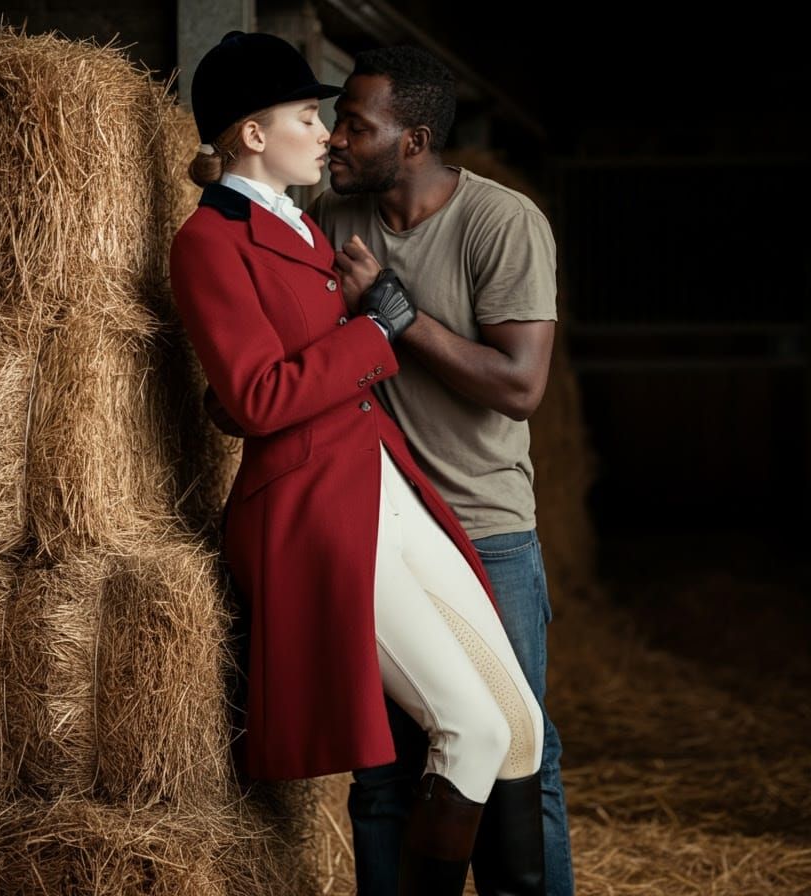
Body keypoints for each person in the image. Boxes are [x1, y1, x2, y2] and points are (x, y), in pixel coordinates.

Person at [169, 32, 546, 896]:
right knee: (473, 731)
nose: (327, 134)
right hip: (315, 505)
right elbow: (262, 397)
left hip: (379, 475)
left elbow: (260, 381)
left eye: (331, 118)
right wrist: (374, 331)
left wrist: (333, 341)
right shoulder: (209, 242)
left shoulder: (302, 226)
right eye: (310, 116)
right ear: (254, 135)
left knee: (518, 722)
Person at [312, 46, 574, 896]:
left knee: (517, 755)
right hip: (383, 532)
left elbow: (521, 386)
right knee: (384, 771)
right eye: (335, 119)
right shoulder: (329, 217)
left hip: (485, 531)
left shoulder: (503, 223)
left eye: (357, 125)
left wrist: (395, 313)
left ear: (415, 139)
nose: (334, 138)